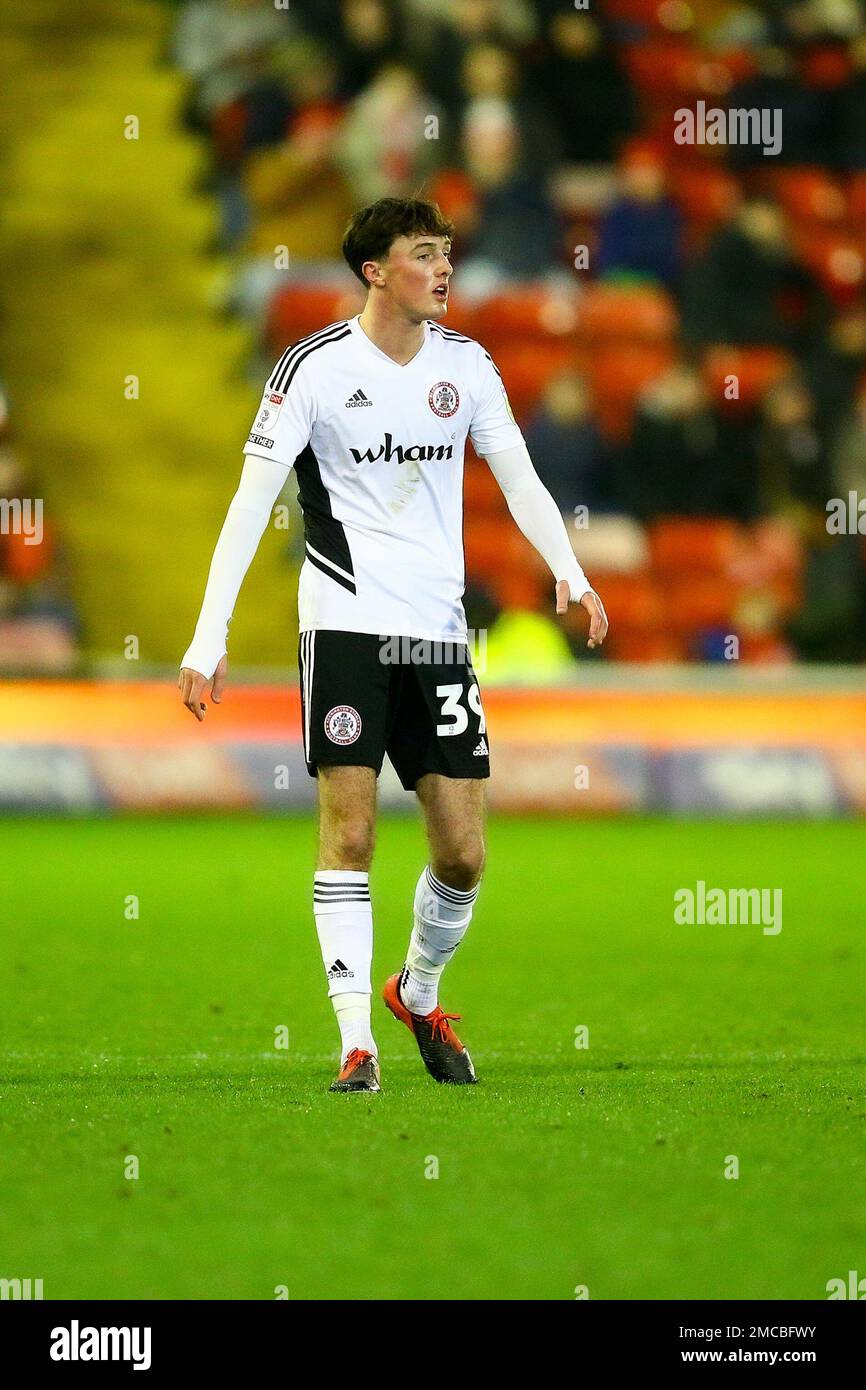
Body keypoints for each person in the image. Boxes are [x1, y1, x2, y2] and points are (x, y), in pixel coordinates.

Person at [178, 197, 607, 1094]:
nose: (444, 269)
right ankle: (353, 1046)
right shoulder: (312, 370)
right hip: (343, 624)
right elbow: (251, 504)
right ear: (376, 270)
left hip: (439, 634)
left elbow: (519, 477)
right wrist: (209, 632)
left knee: (462, 854)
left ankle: (416, 992)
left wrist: (569, 569)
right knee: (353, 830)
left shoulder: (469, 366)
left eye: (448, 253)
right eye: (425, 254)